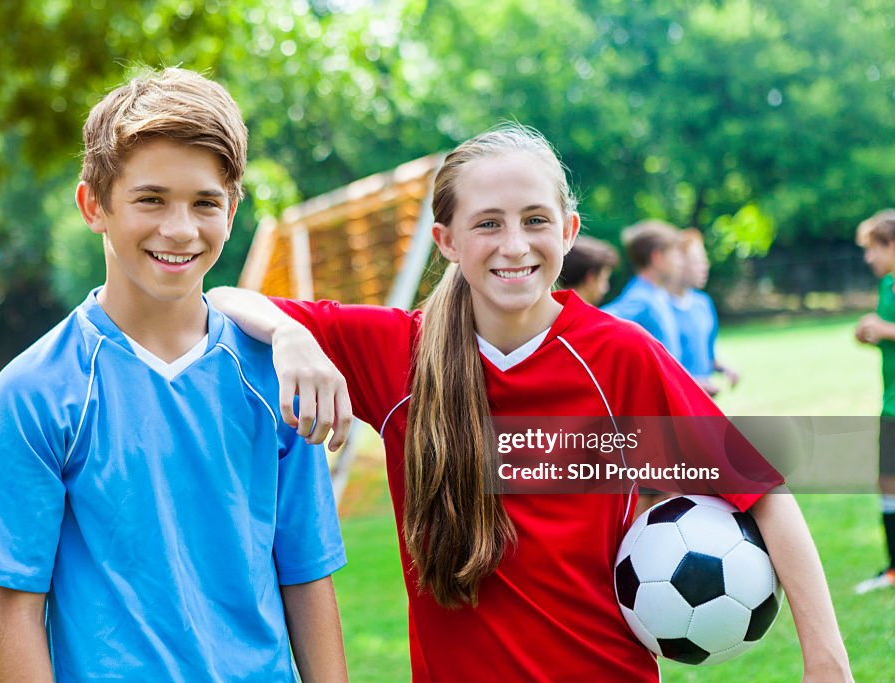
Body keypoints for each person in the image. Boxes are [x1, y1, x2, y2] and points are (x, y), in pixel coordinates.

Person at [209, 124, 853, 681]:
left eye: (535, 220)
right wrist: (292, 334)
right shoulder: (397, 353)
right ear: (447, 242)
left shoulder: (618, 358)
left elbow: (763, 491)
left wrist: (828, 662)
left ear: (568, 231)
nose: (514, 244)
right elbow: (219, 302)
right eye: (487, 223)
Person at [0, 68, 348, 681]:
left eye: (205, 203)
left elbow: (306, 577)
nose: (180, 229)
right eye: (151, 199)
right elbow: (14, 610)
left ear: (232, 210)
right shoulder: (36, 392)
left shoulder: (276, 380)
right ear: (94, 206)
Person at [854, 209, 895, 594]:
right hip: (890, 403)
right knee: (886, 482)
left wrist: (884, 329)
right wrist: (870, 334)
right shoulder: (887, 285)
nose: (869, 258)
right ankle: (894, 568)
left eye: (874, 249)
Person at [601, 219, 685, 360]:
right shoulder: (641, 298)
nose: (680, 262)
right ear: (657, 257)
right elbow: (597, 323)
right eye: (675, 255)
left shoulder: (656, 294)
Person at [670, 229, 740, 397]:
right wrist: (693, 384)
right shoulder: (656, 308)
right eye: (697, 261)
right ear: (677, 263)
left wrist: (724, 369)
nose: (705, 266)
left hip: (703, 407)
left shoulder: (703, 304)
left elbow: (707, 357)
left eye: (704, 260)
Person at [557, 234, 619, 305]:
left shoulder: (547, 312)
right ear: (591, 278)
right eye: (604, 280)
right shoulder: (595, 316)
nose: (606, 289)